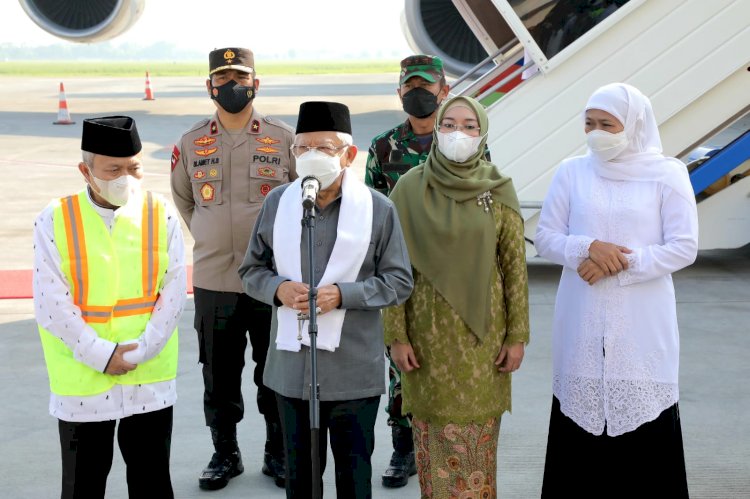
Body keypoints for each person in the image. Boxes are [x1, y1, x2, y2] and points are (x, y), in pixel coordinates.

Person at [239, 101, 414, 498]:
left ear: (349, 155)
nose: (312, 156)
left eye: (325, 147)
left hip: (352, 373)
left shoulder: (378, 209)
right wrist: (279, 289)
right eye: (303, 148)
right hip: (291, 373)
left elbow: (399, 281)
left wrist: (344, 295)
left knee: (354, 480)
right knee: (300, 480)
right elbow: (251, 271)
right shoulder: (278, 204)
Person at [535, 82, 699, 498]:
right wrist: (587, 247)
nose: (596, 133)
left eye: (607, 124)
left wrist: (620, 262)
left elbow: (684, 246)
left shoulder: (667, 173)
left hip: (641, 328)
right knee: (579, 435)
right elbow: (546, 236)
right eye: (589, 124)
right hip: (581, 326)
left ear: (635, 124)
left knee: (645, 435)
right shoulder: (572, 172)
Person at [33, 116, 187, 499]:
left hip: (147, 372)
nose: (126, 178)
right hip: (83, 378)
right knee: (83, 482)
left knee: (152, 479)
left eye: (134, 167)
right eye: (114, 169)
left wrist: (141, 350)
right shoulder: (55, 218)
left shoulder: (160, 212)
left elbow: (174, 290)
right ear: (86, 171)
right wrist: (102, 355)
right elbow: (51, 303)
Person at [384, 95, 530, 498]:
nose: (458, 134)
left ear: (482, 133)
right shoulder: (409, 189)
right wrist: (396, 335)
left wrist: (517, 337)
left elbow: (515, 268)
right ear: (437, 130)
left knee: (477, 453)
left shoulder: (498, 189)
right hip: (425, 341)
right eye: (449, 124)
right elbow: (393, 270)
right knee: (434, 447)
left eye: (468, 125)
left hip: (484, 342)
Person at [170, 46, 295, 490]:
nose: (231, 86)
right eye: (222, 79)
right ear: (209, 87)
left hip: (270, 281)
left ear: (256, 84)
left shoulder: (283, 139)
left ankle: (277, 452)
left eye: (240, 77)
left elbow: (300, 199)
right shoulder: (190, 142)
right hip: (213, 279)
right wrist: (213, 234)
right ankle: (226, 453)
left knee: (273, 370)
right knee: (218, 375)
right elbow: (185, 201)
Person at [364, 53, 449, 489]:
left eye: (426, 87)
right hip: (400, 274)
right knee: (401, 364)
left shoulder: (461, 142)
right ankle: (403, 448)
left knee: (447, 360)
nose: (418, 94)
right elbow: (372, 214)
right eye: (410, 87)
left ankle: (443, 439)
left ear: (443, 91)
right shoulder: (382, 147)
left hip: (450, 275)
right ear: (400, 93)